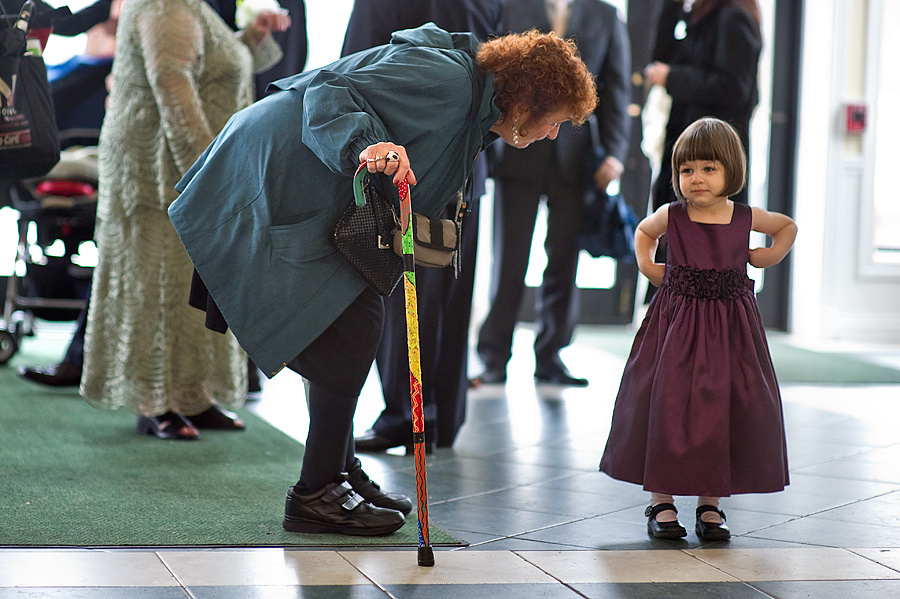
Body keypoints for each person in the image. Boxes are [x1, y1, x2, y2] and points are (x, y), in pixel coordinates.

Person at [167, 24, 598, 535]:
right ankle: (316, 493)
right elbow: (328, 88)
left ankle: (337, 470)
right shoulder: (447, 80)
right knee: (352, 328)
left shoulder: (476, 104)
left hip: (307, 180)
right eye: (554, 121)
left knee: (342, 323)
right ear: (528, 100)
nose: (552, 134)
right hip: (275, 170)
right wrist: (369, 145)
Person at [79, 0, 289, 440]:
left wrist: (251, 38)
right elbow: (173, 88)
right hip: (159, 174)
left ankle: (193, 396)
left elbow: (210, 63)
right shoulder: (163, 5)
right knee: (157, 288)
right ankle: (155, 402)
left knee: (190, 290)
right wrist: (211, 173)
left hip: (181, 169)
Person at [598, 117, 796, 541]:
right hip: (676, 328)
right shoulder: (673, 215)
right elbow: (643, 232)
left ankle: (711, 502)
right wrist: (650, 267)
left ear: (731, 170)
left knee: (720, 408)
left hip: (730, 331)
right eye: (687, 170)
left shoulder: (743, 217)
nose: (696, 179)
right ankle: (661, 499)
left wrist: (766, 256)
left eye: (708, 168)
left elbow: (786, 227)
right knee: (667, 404)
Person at [341, 0, 503, 453]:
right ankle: (437, 418)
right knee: (445, 295)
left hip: (413, 167)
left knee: (408, 298)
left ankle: (411, 418)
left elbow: (356, 67)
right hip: (463, 164)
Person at [471, 0, 631, 388]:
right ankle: (494, 356)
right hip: (517, 153)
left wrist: (614, 153)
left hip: (575, 159)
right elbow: (494, 77)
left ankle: (551, 356)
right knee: (510, 260)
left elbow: (616, 90)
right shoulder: (511, 7)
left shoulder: (606, 15)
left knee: (563, 261)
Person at [645, 0, 762, 211]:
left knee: (704, 226)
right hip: (688, 146)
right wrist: (672, 5)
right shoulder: (701, 17)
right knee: (673, 221)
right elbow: (660, 58)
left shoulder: (733, 18)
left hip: (713, 154)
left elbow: (735, 88)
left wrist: (673, 78)